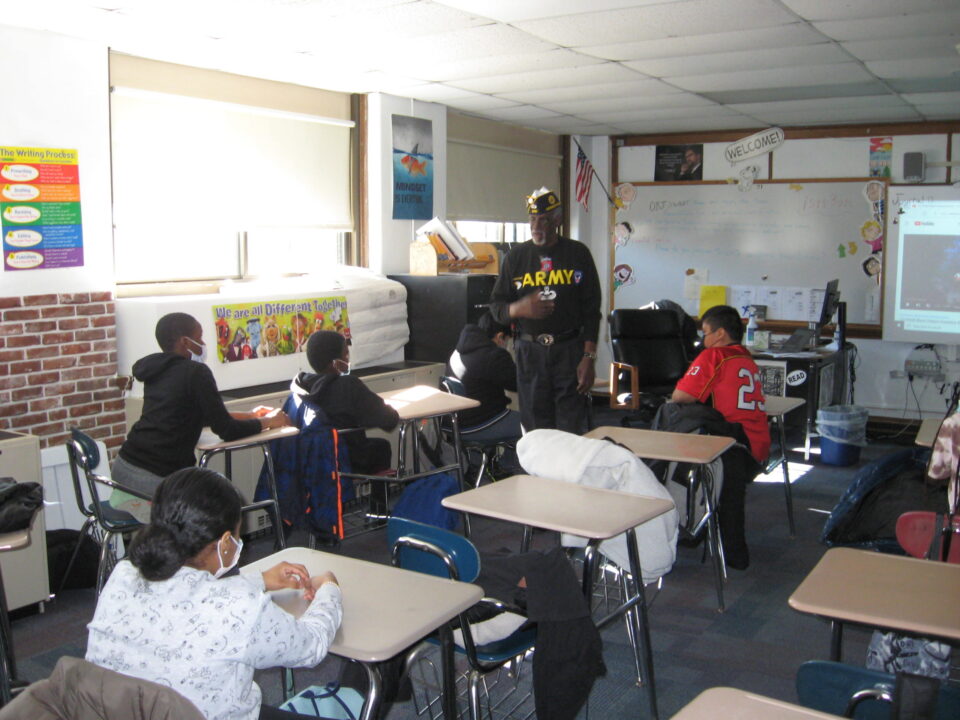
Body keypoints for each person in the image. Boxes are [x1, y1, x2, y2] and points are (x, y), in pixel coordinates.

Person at [85, 467, 342, 720]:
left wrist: (261, 580)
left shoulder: (123, 576)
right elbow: (312, 645)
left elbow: (189, 596)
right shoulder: (239, 607)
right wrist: (329, 588)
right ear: (226, 542)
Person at [112, 312, 290, 519]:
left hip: (124, 466)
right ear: (185, 342)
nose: (203, 344)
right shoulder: (196, 372)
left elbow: (197, 415)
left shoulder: (157, 369)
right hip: (154, 478)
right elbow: (227, 430)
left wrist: (250, 415)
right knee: (219, 505)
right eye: (200, 338)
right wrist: (269, 422)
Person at [489, 187, 602, 434]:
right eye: (532, 219)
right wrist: (520, 308)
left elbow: (592, 311)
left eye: (544, 220)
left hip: (570, 352)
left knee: (571, 429)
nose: (536, 226)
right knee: (535, 429)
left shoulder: (578, 253)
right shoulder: (516, 257)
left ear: (558, 220)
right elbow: (496, 308)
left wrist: (589, 357)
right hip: (530, 353)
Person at [670, 304, 770, 569]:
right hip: (758, 446)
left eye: (705, 333)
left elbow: (681, 396)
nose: (702, 339)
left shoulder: (714, 356)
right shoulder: (746, 357)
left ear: (720, 334)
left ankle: (686, 526)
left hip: (732, 448)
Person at [294, 330, 400, 474]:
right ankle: (381, 490)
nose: (348, 360)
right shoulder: (348, 386)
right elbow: (389, 420)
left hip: (318, 460)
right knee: (381, 447)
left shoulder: (301, 386)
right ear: (335, 363)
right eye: (345, 354)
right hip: (348, 459)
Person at [448, 312, 522, 472]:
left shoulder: (460, 349)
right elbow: (519, 384)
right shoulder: (494, 356)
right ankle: (509, 466)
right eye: (508, 340)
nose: (508, 345)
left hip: (456, 423)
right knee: (532, 424)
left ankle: (478, 467)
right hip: (481, 424)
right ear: (500, 337)